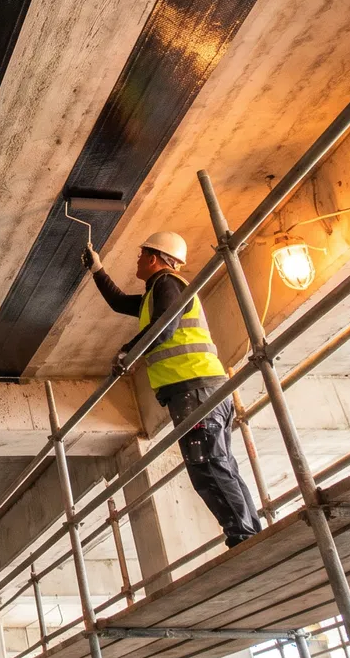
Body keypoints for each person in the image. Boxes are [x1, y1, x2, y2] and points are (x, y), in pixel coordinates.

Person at [83, 232, 262, 547]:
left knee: (207, 466)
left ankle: (244, 536)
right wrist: (97, 269)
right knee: (218, 463)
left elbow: (163, 330)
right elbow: (120, 302)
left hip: (194, 389)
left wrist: (128, 351)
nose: (137, 261)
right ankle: (248, 530)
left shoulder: (168, 284)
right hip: (200, 389)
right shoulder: (158, 293)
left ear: (153, 258)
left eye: (140, 255)